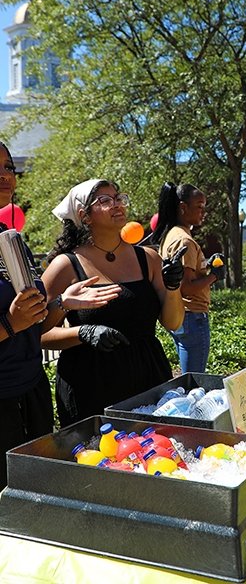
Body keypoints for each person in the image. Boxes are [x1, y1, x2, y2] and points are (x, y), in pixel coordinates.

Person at [0, 146, 121, 487]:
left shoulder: (11, 240)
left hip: (31, 391)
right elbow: (17, 322)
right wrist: (10, 324)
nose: (5, 175)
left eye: (8, 166)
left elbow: (34, 324)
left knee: (35, 493)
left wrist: (64, 303)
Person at [41, 179, 185, 426]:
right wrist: (83, 332)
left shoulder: (148, 258)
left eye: (118, 198)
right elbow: (36, 333)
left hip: (148, 379)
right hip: (91, 384)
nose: (117, 205)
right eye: (105, 201)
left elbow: (173, 322)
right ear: (84, 215)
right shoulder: (65, 265)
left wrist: (173, 288)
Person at [152, 182, 225, 373]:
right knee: (194, 380)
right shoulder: (184, 240)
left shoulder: (172, 234)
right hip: (192, 316)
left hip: (179, 314)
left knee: (188, 378)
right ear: (183, 208)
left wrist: (207, 265)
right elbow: (186, 286)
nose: (203, 212)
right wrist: (214, 277)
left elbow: (185, 273)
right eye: (199, 206)